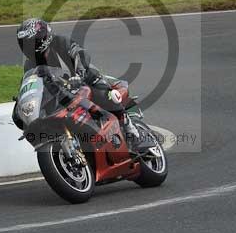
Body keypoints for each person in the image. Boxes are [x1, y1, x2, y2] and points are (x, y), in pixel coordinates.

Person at [14, 18, 147, 152]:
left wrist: (80, 73)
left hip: (84, 80)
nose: (27, 47)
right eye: (24, 43)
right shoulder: (30, 65)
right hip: (63, 95)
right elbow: (32, 85)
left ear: (42, 38)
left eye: (30, 42)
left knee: (105, 93)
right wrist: (21, 104)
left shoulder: (60, 42)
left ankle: (132, 132)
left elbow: (79, 54)